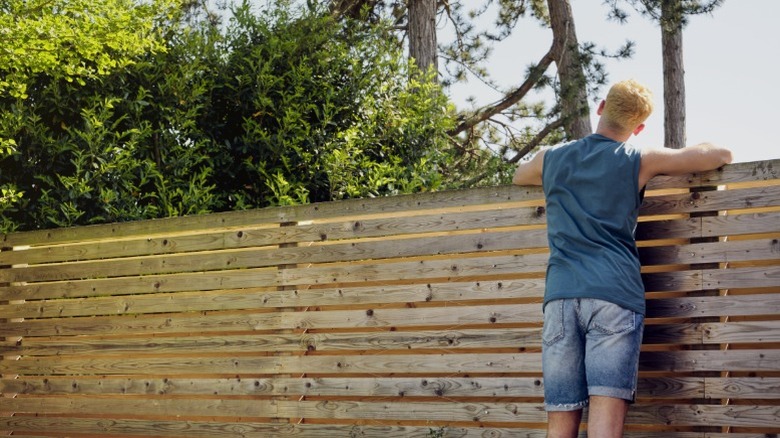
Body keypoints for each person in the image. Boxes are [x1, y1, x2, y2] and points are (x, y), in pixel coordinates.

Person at [512, 79, 732, 438]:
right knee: (605, 427)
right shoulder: (639, 159)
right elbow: (719, 154)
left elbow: (520, 175)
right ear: (639, 127)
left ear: (600, 107)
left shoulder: (552, 158)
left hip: (561, 300)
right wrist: (706, 146)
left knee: (560, 424)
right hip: (614, 297)